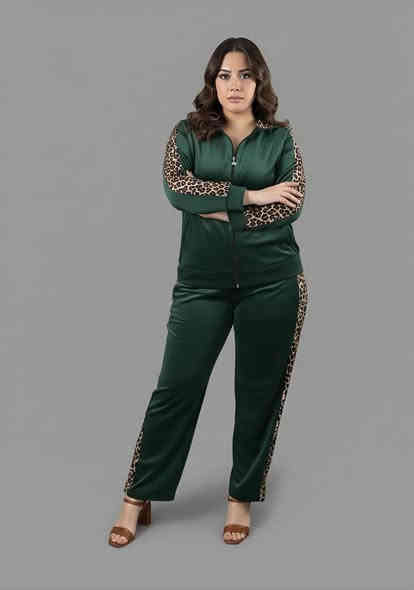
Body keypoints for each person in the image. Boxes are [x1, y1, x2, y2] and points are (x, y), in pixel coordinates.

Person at [109, 36, 309, 548]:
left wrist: (216, 207)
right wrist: (252, 195)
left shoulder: (280, 139)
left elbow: (290, 206)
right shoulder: (187, 133)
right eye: (224, 75)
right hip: (201, 284)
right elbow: (178, 189)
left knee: (258, 393)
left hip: (274, 282)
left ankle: (240, 497)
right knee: (175, 388)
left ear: (259, 81)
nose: (234, 85)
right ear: (212, 81)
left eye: (245, 75)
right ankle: (137, 495)